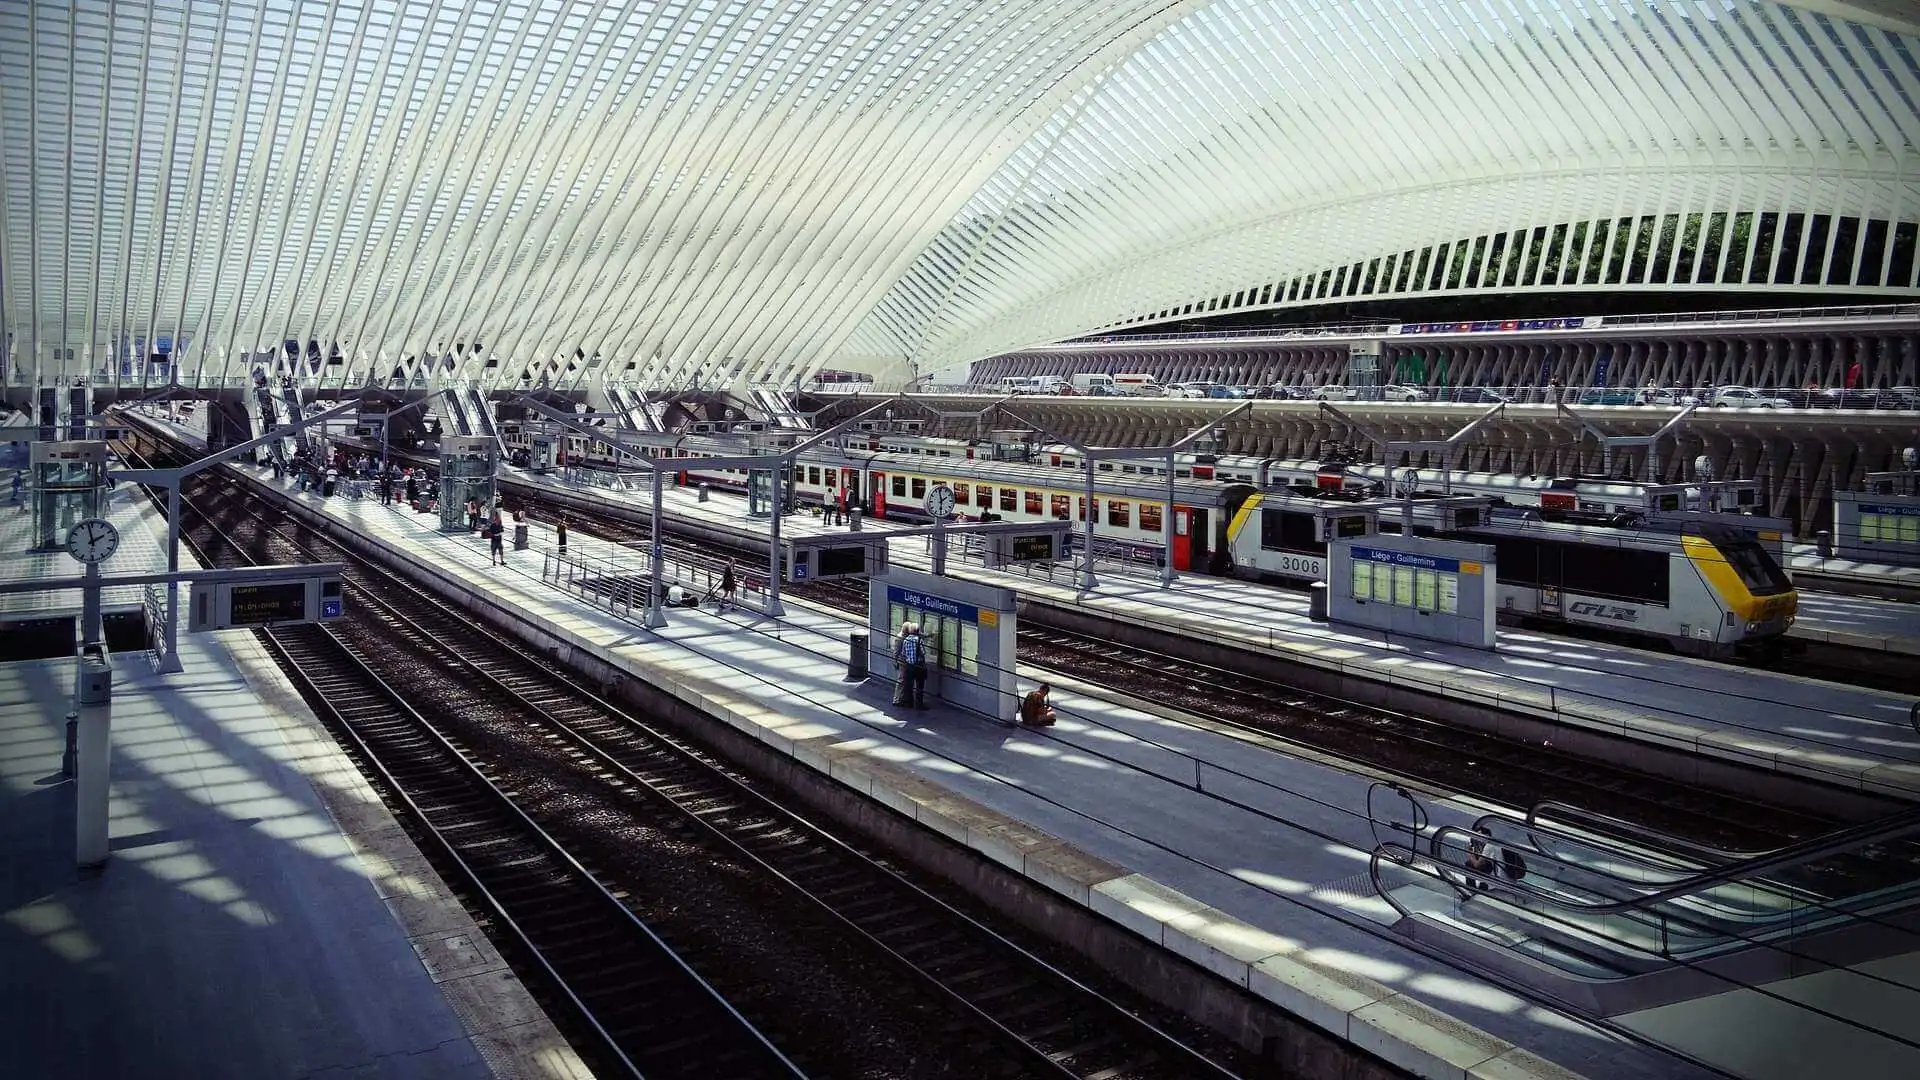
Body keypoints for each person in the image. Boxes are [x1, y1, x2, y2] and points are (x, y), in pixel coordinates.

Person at [893, 622, 928, 708]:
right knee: (919, 685)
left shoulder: (906, 640)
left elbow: (903, 653)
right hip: (918, 665)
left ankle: (909, 702)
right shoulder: (918, 640)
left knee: (909, 684)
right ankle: (918, 704)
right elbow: (923, 652)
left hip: (909, 666)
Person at [1463, 825, 1497, 892]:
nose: (1477, 838)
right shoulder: (1486, 845)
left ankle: (1472, 889)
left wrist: (1470, 853)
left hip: (1492, 870)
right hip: (1490, 870)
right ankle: (1474, 888)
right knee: (1470, 864)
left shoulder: (1488, 846)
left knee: (1469, 864)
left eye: (1479, 836)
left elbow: (1477, 864)